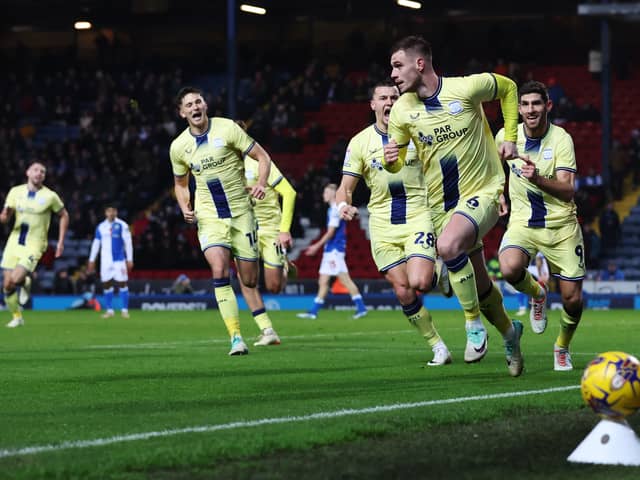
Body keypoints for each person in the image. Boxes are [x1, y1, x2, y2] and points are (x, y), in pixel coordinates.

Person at [383, 35, 523, 376]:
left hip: (485, 190)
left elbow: (508, 88)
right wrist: (391, 160)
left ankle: (472, 325)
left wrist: (511, 139)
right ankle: (509, 334)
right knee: (481, 285)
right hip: (441, 206)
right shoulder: (402, 110)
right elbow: (397, 162)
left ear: (420, 63)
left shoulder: (465, 88)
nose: (393, 74)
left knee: (448, 246)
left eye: (398, 66)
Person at [335, 81, 451, 365]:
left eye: (394, 97)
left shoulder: (418, 134)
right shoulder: (360, 142)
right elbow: (345, 186)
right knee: (403, 290)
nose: (389, 101)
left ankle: (439, 270)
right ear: (373, 105)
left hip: (417, 215)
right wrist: (342, 204)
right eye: (383, 97)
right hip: (382, 224)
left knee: (420, 281)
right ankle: (438, 346)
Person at [170, 86, 271, 356]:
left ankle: (263, 325)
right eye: (189, 104)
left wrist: (261, 183)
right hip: (210, 217)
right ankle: (236, 337)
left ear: (205, 104)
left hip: (241, 214)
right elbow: (180, 185)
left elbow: (262, 156)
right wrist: (184, 206)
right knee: (219, 269)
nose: (195, 107)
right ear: (182, 113)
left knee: (249, 280)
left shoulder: (227, 128)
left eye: (198, 101)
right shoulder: (179, 147)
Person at [496, 80, 585, 371]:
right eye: (525, 104)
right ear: (518, 109)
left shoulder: (561, 139)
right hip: (523, 222)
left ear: (547, 106)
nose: (531, 109)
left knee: (572, 300)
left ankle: (562, 346)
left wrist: (537, 179)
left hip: (561, 227)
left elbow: (568, 189)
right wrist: (499, 193)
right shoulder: (505, 137)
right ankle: (538, 294)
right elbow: (495, 169)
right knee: (508, 267)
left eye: (536, 103)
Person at [1, 162, 69, 327]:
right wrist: (4, 216)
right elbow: (5, 216)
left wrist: (60, 242)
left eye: (43, 172)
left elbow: (64, 215)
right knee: (7, 285)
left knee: (17, 278)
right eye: (36, 170)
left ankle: (25, 282)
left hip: (35, 244)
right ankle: (17, 317)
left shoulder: (50, 196)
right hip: (14, 241)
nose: (39, 173)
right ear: (28, 173)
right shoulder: (15, 192)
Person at [239, 151, 297, 346]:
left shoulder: (260, 163)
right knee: (245, 280)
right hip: (244, 230)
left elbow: (289, 192)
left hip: (270, 229)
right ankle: (267, 330)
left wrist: (284, 230)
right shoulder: (225, 167)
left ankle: (285, 266)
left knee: (274, 287)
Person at [297, 183, 368, 320]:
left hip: (335, 250)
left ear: (332, 195)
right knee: (323, 281)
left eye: (326, 192)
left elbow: (330, 232)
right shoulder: (332, 209)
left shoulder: (335, 209)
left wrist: (316, 246)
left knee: (345, 280)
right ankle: (313, 312)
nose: (324, 195)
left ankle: (361, 308)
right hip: (330, 250)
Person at [87, 204, 134, 318]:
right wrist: (92, 259)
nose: (111, 213)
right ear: (105, 213)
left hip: (119, 259)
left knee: (122, 283)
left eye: (113, 211)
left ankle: (124, 310)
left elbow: (128, 243)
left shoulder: (123, 225)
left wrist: (130, 259)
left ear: (116, 212)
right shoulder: (101, 227)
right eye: (109, 211)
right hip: (105, 260)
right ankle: (109, 310)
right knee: (106, 284)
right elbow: (96, 244)